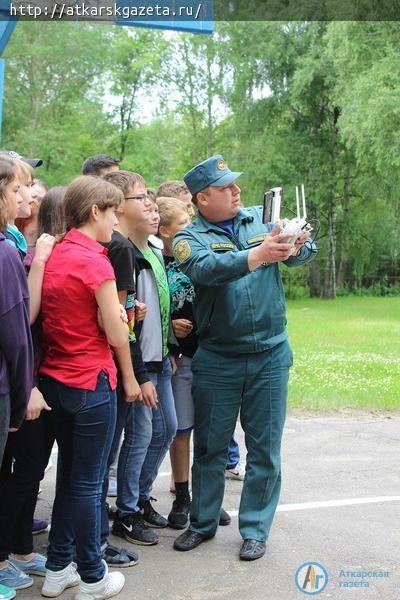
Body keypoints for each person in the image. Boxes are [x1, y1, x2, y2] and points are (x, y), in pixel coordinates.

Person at [172, 155, 317, 560]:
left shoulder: (260, 218)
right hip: (219, 357)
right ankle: (201, 523)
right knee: (211, 448)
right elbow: (206, 269)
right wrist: (259, 255)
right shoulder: (188, 237)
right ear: (202, 199)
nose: (237, 191)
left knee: (265, 449)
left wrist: (296, 244)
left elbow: (307, 253)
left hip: (270, 353)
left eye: (236, 184)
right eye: (225, 187)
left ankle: (255, 529)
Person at [39, 175, 128, 599]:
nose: (115, 222)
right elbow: (116, 331)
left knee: (72, 478)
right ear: (95, 211)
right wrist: (121, 316)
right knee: (90, 484)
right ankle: (93, 576)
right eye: (113, 213)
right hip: (90, 381)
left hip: (54, 379)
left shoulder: (54, 251)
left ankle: (58, 566)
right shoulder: (96, 261)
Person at [156, 196, 231, 530]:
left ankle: (208, 496)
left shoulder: (199, 255)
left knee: (210, 428)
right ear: (164, 231)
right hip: (180, 357)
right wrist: (169, 321)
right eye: (183, 223)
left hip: (211, 351)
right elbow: (146, 304)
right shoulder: (157, 260)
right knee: (182, 428)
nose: (190, 228)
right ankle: (183, 495)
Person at [110, 187, 178, 547]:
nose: (152, 207)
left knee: (167, 428)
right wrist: (138, 374)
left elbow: (157, 308)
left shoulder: (152, 249)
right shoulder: (123, 252)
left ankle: (139, 497)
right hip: (140, 366)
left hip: (158, 358)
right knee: (140, 437)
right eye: (142, 201)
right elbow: (126, 324)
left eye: (153, 203)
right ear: (120, 207)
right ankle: (126, 512)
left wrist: (168, 347)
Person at [0, 156, 33, 600]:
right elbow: (16, 335)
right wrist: (24, 393)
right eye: (14, 190)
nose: (21, 197)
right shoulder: (7, 252)